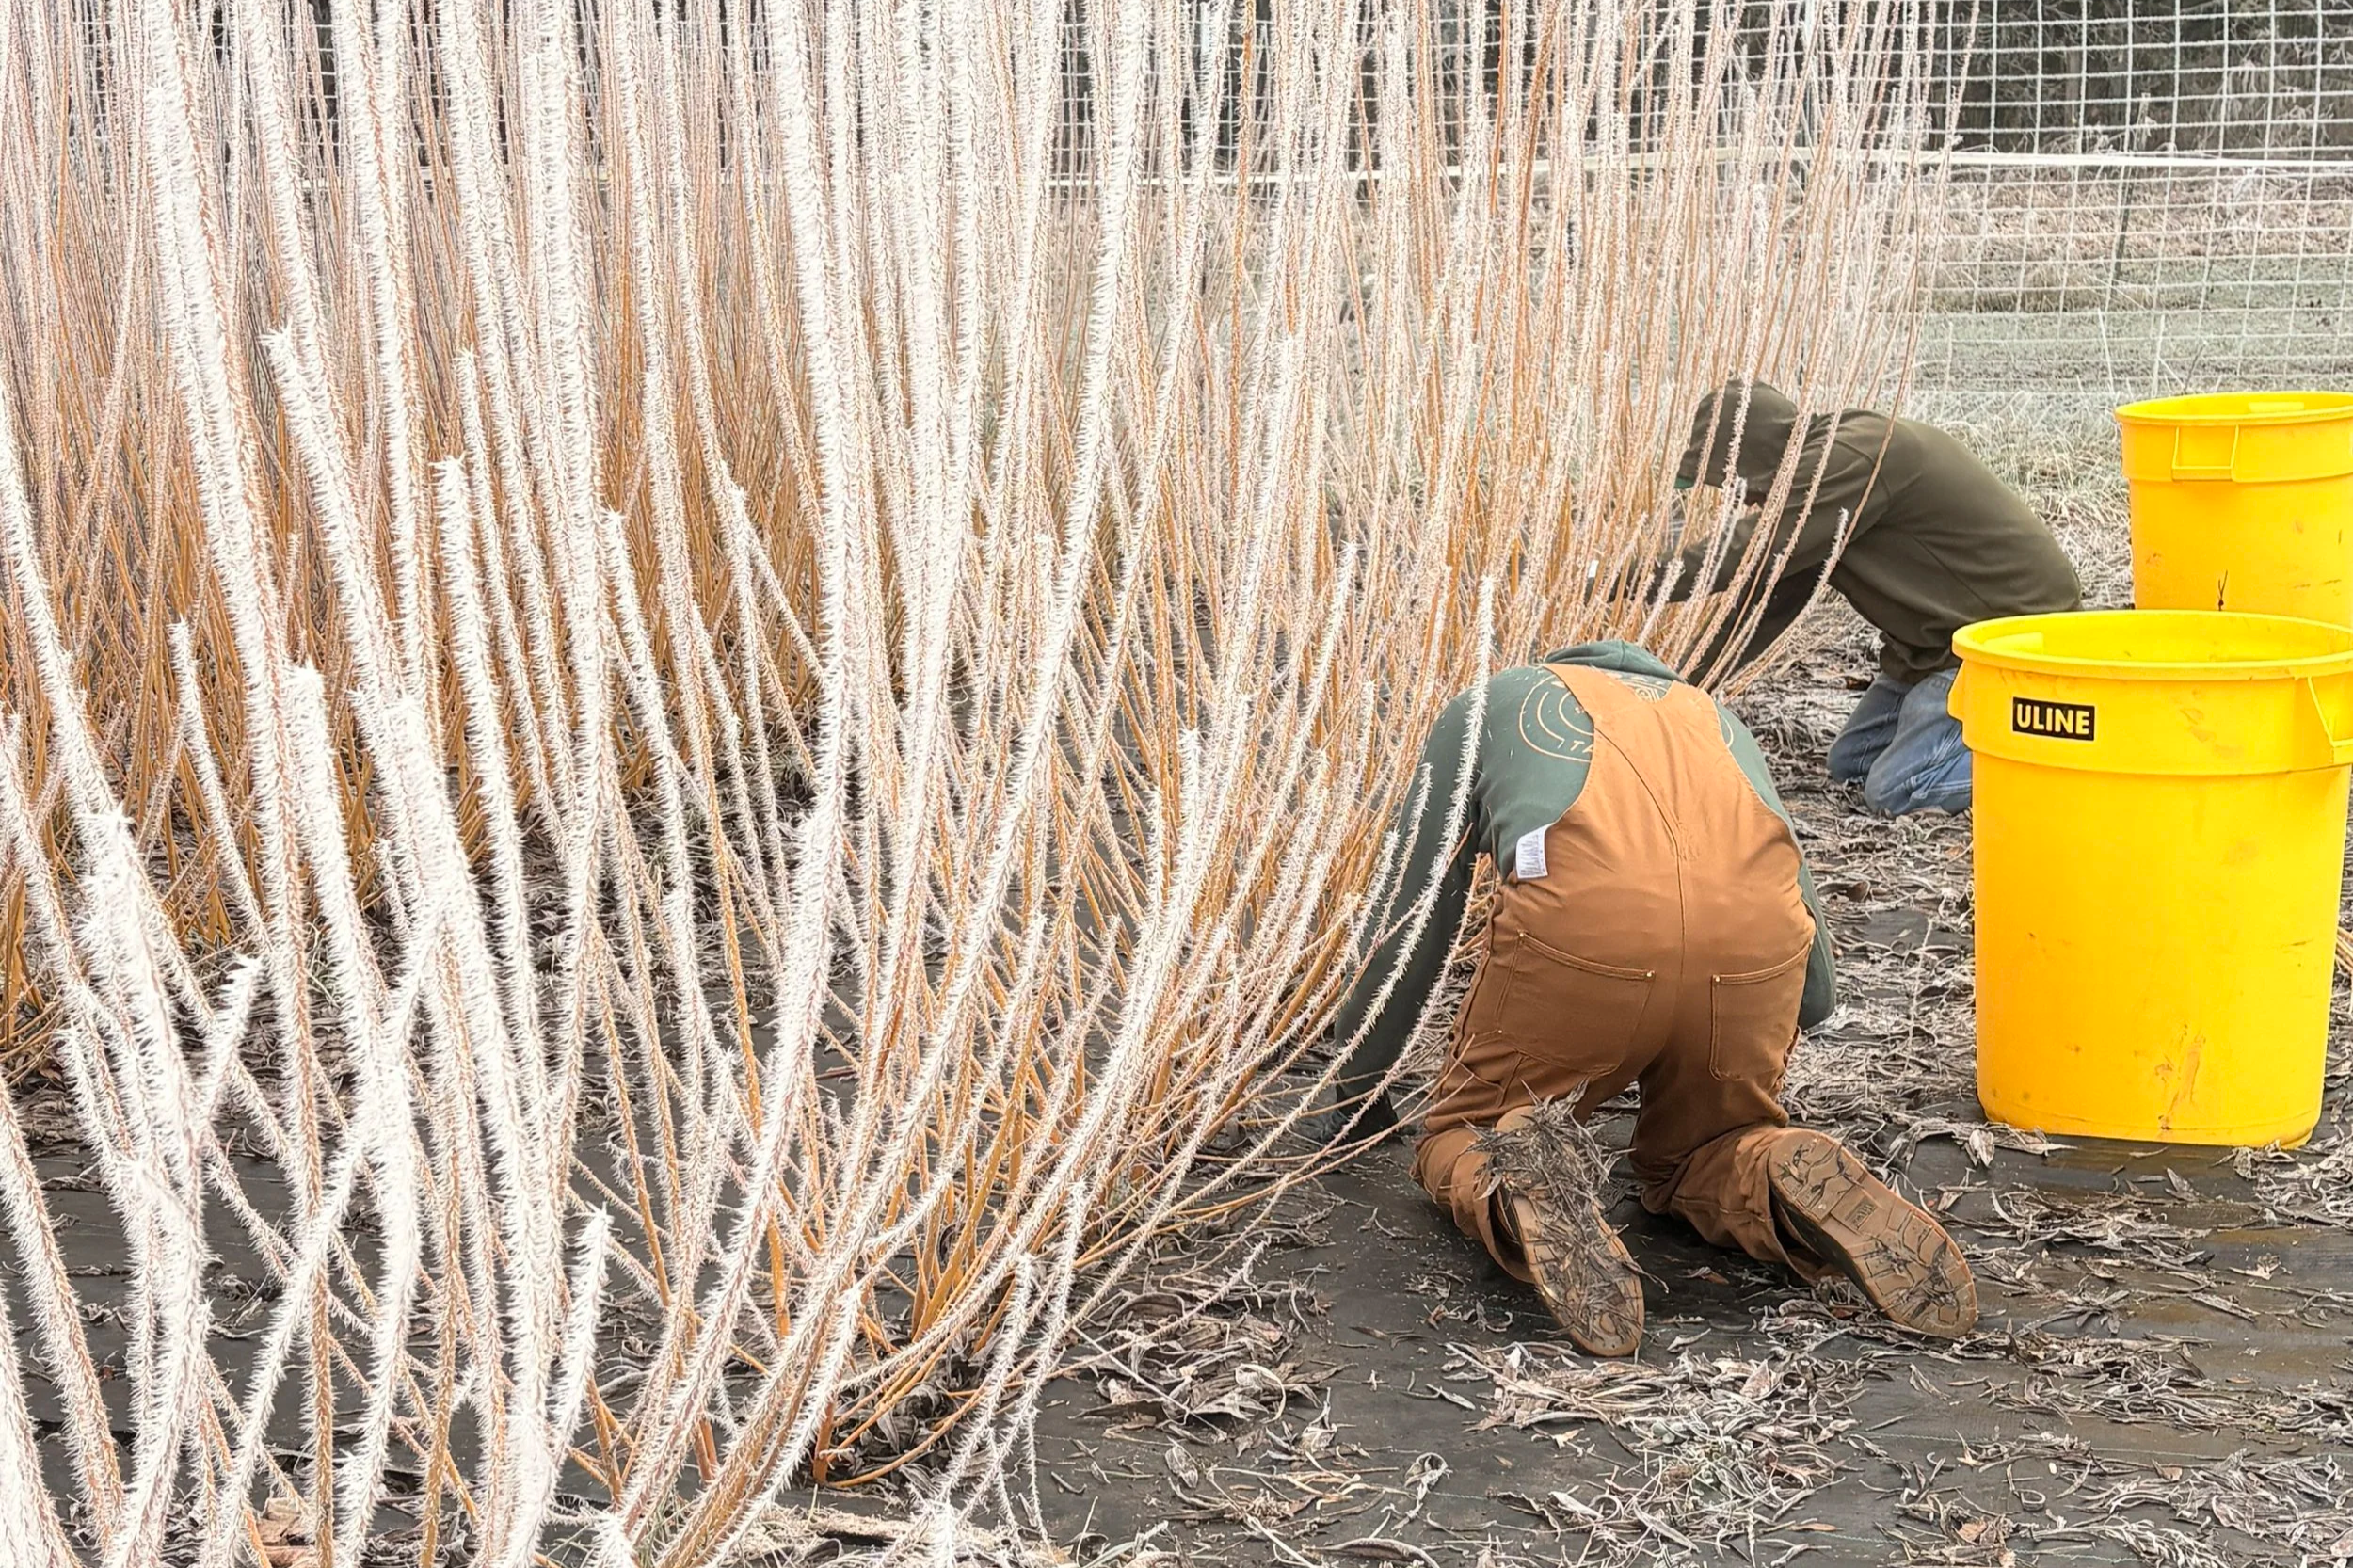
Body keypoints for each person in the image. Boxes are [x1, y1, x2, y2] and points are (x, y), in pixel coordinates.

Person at [1329, 642, 1975, 1355]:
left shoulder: (1494, 702)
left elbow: (1411, 912)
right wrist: (1778, 1013)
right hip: (1756, 955)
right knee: (1705, 1151)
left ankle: (1524, 1176)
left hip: (1587, 937)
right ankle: (1774, 1166)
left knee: (1470, 1134)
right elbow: (1812, 972)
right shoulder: (1716, 718)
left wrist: (1356, 1085)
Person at [1664, 380, 2081, 815]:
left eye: (1734, 482)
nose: (1744, 499)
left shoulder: (1853, 458)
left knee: (1897, 790)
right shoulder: (1826, 487)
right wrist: (1677, 691)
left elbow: (1746, 555)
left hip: (2007, 634)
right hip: (1939, 644)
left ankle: (2053, 761)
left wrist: (1610, 580)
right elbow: (1766, 603)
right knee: (1852, 764)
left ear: (1755, 454)